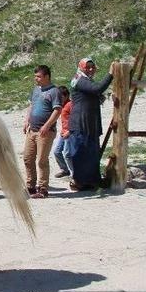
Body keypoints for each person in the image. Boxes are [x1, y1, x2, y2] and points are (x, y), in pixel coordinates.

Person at [67, 57, 114, 191]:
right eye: (87, 67)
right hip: (80, 123)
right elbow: (97, 89)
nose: (91, 69)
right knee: (80, 153)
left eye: (92, 67)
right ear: (81, 68)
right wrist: (110, 74)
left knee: (91, 154)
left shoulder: (86, 80)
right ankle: (79, 182)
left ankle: (92, 181)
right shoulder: (79, 79)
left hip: (90, 123)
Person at [22, 65, 62, 199]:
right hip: (32, 130)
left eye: (38, 76)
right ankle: (30, 186)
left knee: (41, 160)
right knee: (28, 158)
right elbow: (31, 105)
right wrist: (27, 120)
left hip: (45, 131)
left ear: (47, 77)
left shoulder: (54, 91)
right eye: (35, 76)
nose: (36, 79)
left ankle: (43, 188)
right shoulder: (35, 90)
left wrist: (47, 125)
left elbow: (57, 110)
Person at [52, 86, 73, 178]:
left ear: (66, 96)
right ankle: (65, 170)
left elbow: (75, 120)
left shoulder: (70, 105)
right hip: (63, 132)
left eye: (61, 97)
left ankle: (75, 174)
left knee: (68, 154)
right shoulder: (61, 105)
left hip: (69, 133)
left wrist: (69, 131)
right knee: (56, 151)